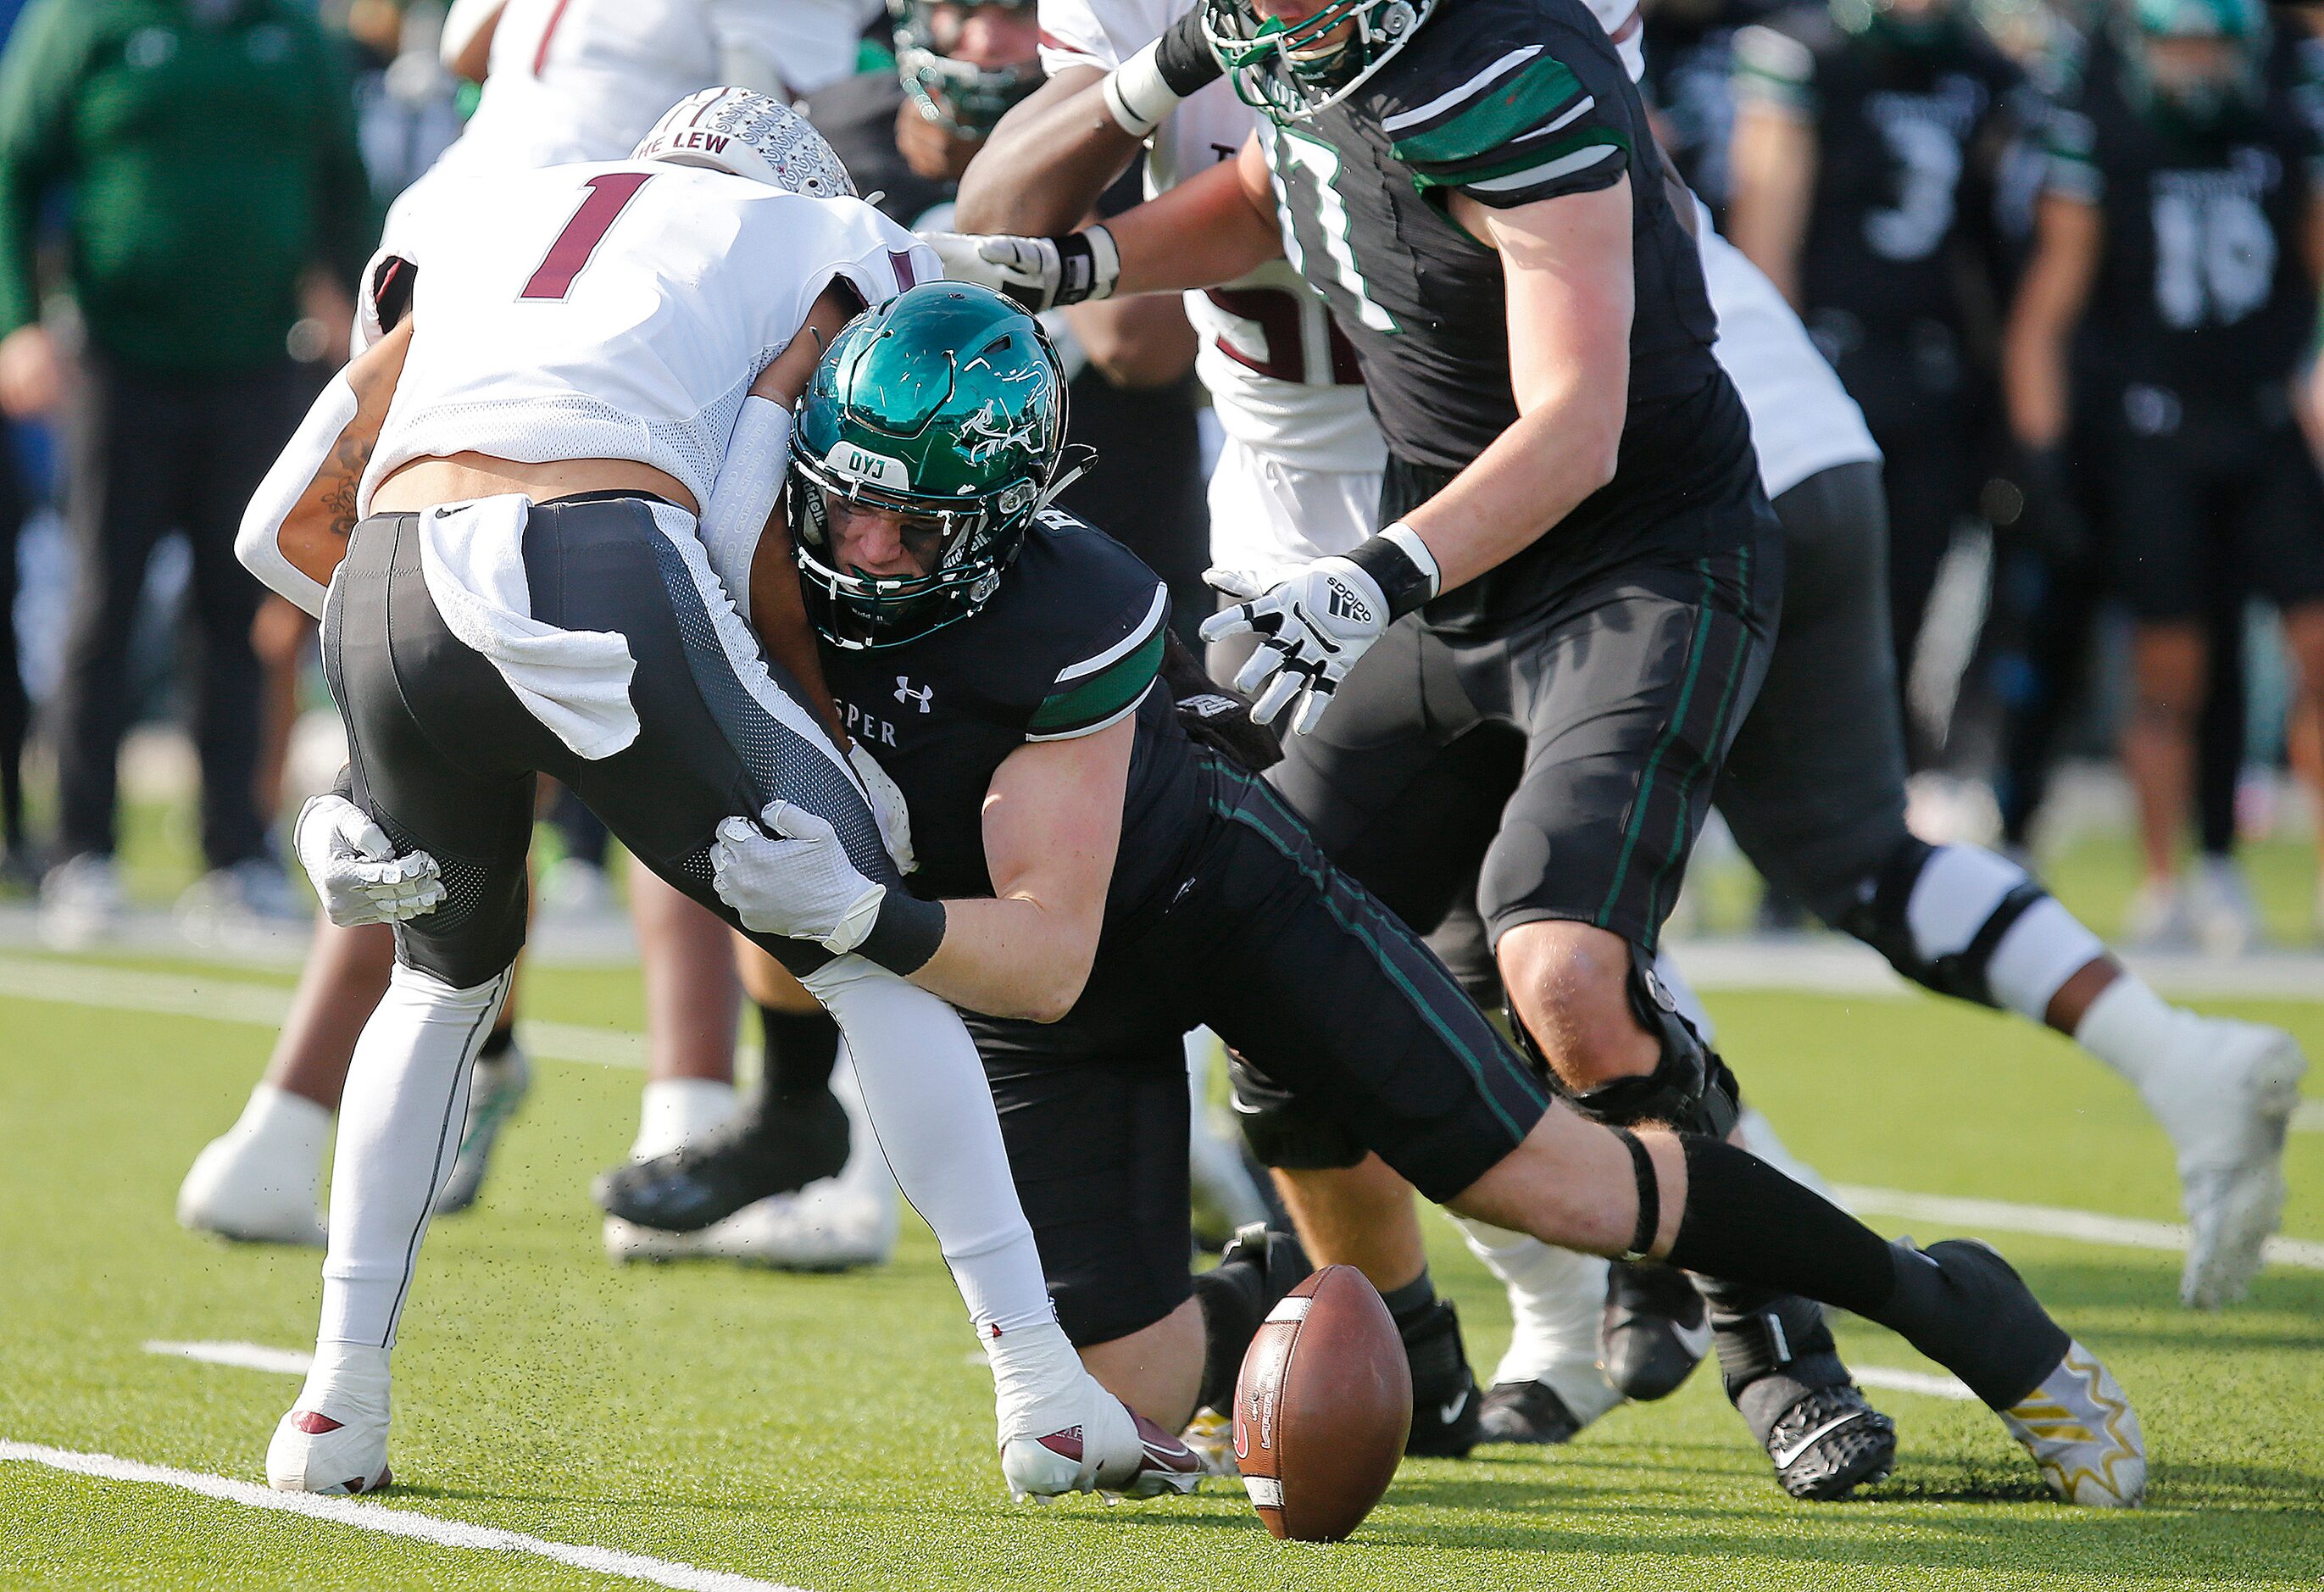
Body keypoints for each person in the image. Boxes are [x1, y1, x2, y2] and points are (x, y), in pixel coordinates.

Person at [952, 0, 2308, 1461]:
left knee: (1569, 975)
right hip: (1443, 564)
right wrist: (1087, 259)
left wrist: (1370, 575)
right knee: (1262, 960)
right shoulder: (1310, 48)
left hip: (1629, 554)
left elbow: (1578, 422)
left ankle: (1832, 1317)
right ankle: (1423, 1358)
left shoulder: (1508, 60)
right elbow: (1291, 194)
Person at [701, 276, 2144, 1510]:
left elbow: (1044, 948)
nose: (866, 553)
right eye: (848, 510)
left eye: (917, 528)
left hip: (1196, 905)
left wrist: (857, 914)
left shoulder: (1073, 606)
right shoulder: (768, 536)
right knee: (1116, 1417)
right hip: (1042, 1006)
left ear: (1009, 516)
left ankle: (1950, 1302)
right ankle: (1280, 1289)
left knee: (1551, 1180)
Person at [237, 89, 1178, 1506]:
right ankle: (1044, 1392)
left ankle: (332, 1404)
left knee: (434, 992)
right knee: (876, 959)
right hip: (611, 554)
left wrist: (383, 735)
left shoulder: (475, 214)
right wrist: (824, 754)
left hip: (386, 589)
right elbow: (746, 528)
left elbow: (283, 524)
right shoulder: (826, 233)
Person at [0, 0, 377, 943]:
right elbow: (12, 161)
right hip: (115, 360)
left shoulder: (295, 30)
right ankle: (80, 848)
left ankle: (236, 854)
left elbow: (345, 179)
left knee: (239, 606)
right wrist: (17, 322)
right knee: (102, 602)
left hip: (262, 361)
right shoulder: (87, 19)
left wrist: (360, 305)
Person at [2005, 0, 2324, 954]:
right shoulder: (2105, 127)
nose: (2193, 62)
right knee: (2167, 667)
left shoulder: (2283, 124)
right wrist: (2042, 455)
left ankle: (2263, 871)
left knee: (2317, 647)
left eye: (2210, 43)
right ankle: (2164, 878)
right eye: (2176, 41)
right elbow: (2050, 303)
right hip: (2156, 428)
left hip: (2265, 420)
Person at [1726, 0, 2027, 765]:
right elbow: (1766, 233)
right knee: (1798, 600)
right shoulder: (1805, 55)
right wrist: (1777, 378)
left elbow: (1990, 254)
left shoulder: (1983, 71)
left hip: (1935, 369)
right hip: (1829, 355)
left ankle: (1876, 805)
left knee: (1905, 610)